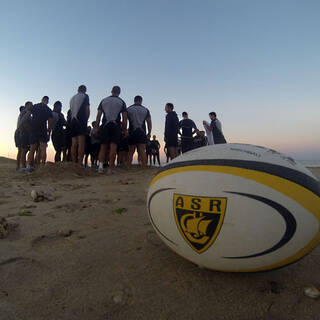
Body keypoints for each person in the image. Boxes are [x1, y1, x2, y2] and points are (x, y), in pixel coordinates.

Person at [95, 86, 127, 174]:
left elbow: (98, 116)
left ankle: (100, 167)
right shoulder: (121, 102)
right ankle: (111, 168)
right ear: (119, 92)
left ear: (111, 91)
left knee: (103, 146)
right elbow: (124, 118)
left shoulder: (104, 100)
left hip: (105, 125)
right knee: (113, 146)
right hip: (115, 125)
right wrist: (125, 130)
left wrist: (97, 128)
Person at [27, 96, 53, 170]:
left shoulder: (35, 106)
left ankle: (29, 166)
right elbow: (50, 122)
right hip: (43, 130)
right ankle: (42, 166)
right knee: (43, 148)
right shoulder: (48, 109)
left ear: (42, 100)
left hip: (34, 129)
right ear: (47, 101)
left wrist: (24, 126)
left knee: (32, 149)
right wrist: (49, 132)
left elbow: (27, 115)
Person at [127, 95, 152, 169]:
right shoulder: (145, 110)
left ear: (134, 100)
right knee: (142, 150)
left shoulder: (129, 109)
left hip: (132, 131)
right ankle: (144, 167)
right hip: (142, 131)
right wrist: (149, 132)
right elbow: (149, 123)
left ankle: (128, 167)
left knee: (131, 151)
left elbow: (126, 119)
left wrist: (125, 130)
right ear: (141, 101)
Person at [69, 85, 90, 165]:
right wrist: (86, 120)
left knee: (74, 143)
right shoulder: (85, 96)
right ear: (85, 90)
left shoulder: (72, 98)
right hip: (81, 121)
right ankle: (80, 162)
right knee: (81, 142)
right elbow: (87, 109)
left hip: (72, 121)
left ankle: (74, 162)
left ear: (78, 90)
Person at [15, 103, 32, 171]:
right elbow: (25, 124)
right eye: (31, 105)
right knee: (23, 150)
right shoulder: (24, 113)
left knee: (21, 150)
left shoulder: (21, 114)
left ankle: (19, 166)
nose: (32, 107)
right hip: (21, 133)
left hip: (18, 133)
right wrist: (30, 131)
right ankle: (22, 167)